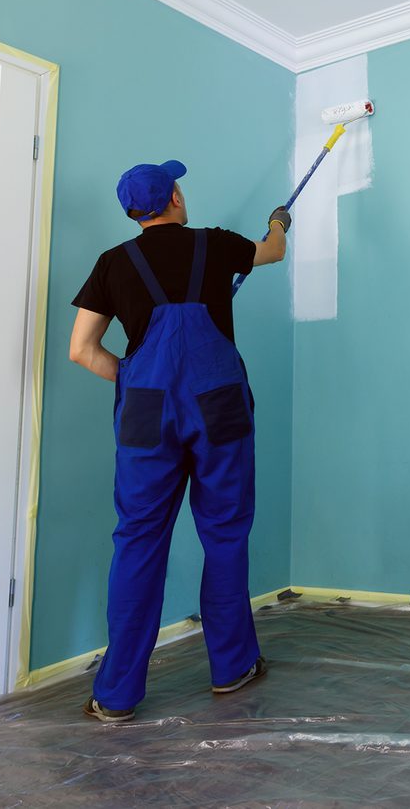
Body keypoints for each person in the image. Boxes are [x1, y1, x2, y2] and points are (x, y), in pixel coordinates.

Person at [68, 159, 291, 721]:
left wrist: (142, 378)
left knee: (138, 537)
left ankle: (116, 693)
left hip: (146, 411)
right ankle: (232, 667)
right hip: (217, 404)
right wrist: (279, 225)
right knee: (224, 533)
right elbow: (271, 253)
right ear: (174, 199)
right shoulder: (215, 244)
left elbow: (82, 351)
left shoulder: (112, 263)